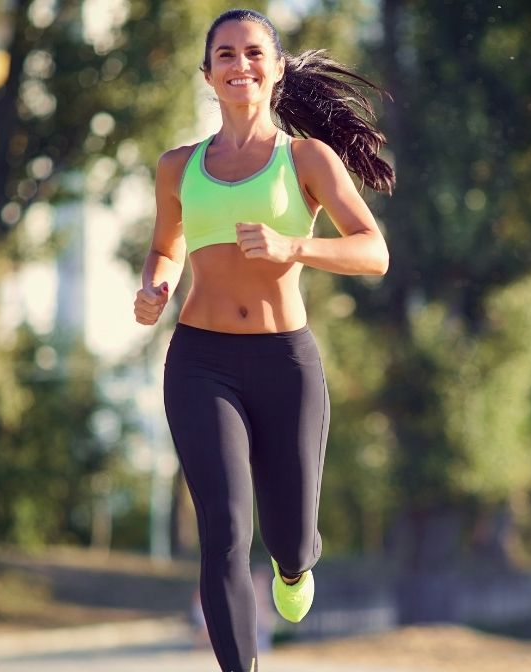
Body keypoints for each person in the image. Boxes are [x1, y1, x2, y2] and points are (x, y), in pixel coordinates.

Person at [132, 9, 392, 672]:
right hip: (199, 361)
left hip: (284, 361)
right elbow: (165, 249)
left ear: (276, 70)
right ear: (208, 74)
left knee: (290, 536)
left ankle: (297, 565)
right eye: (225, 54)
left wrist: (293, 246)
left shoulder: (305, 158)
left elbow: (373, 251)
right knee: (223, 532)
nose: (239, 64)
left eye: (253, 53)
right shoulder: (177, 167)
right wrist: (155, 287)